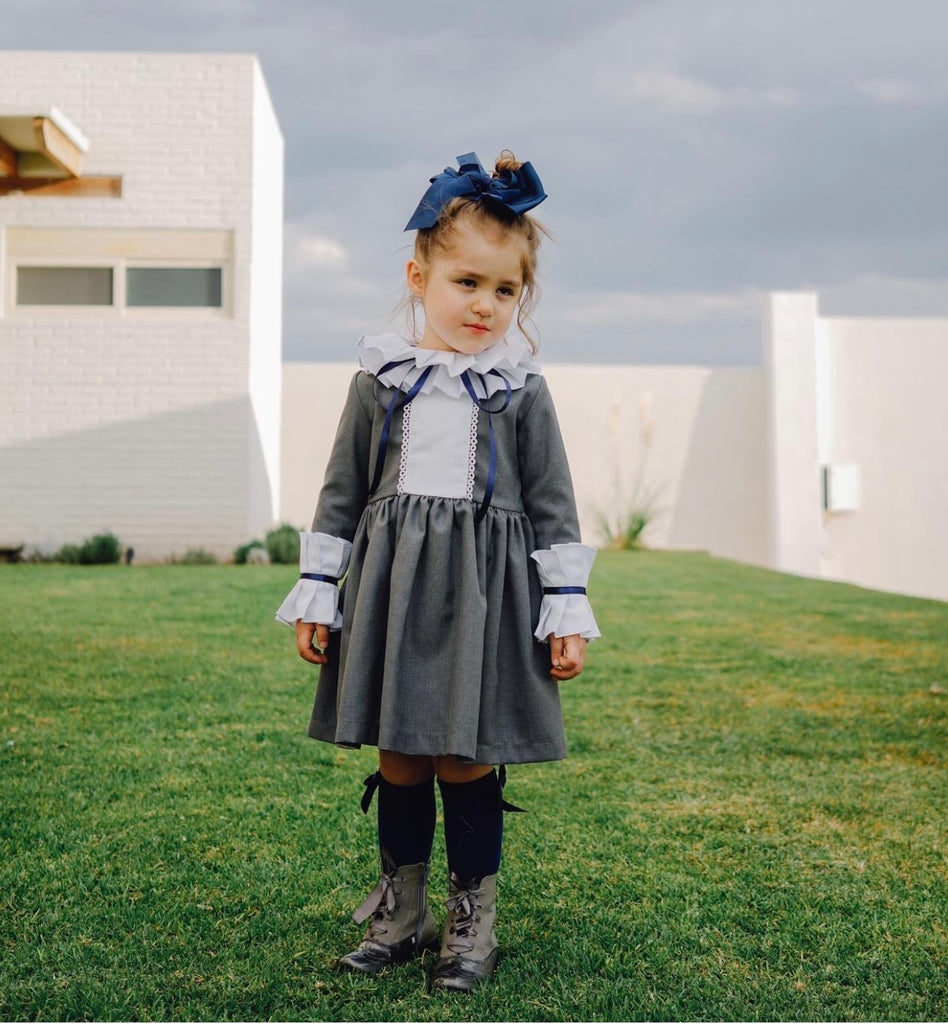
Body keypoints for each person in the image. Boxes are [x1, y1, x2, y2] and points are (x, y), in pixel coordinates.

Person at [276, 151, 600, 992]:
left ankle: (471, 921)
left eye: (504, 291)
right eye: (467, 283)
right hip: (392, 592)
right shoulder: (380, 385)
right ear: (420, 276)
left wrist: (565, 606)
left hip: (485, 601)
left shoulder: (520, 392)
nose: (485, 306)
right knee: (399, 755)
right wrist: (319, 593)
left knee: (462, 756)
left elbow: (554, 503)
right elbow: (340, 494)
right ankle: (403, 912)